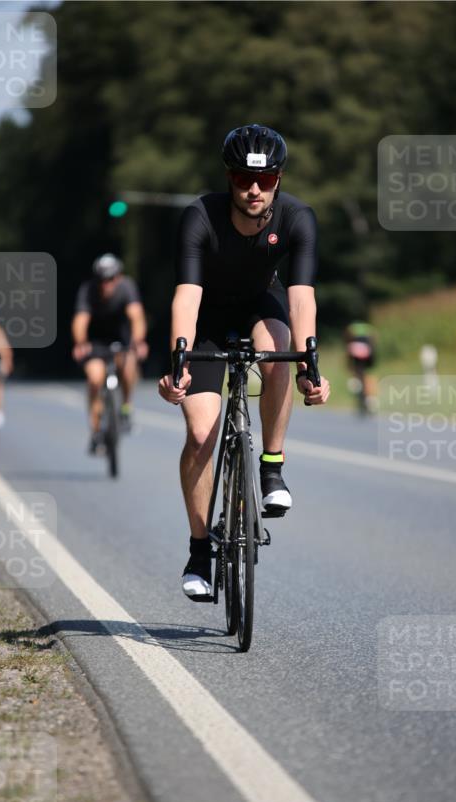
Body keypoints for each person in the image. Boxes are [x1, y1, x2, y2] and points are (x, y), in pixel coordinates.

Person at [158, 123, 330, 599]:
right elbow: (187, 297)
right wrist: (180, 362)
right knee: (199, 434)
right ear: (228, 177)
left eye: (267, 179)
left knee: (279, 347)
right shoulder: (200, 217)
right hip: (207, 318)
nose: (254, 189)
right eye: (241, 179)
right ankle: (198, 550)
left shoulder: (297, 218)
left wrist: (308, 368)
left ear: (279, 177)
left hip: (259, 304)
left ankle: (271, 466)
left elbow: (301, 300)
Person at [72, 253, 148, 450]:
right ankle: (96, 431)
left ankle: (126, 408)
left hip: (121, 341)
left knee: (129, 365)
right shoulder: (88, 290)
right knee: (95, 378)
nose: (106, 284)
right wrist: (80, 343)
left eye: (111, 279)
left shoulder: (126, 287)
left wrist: (138, 341)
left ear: (119, 277)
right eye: (102, 280)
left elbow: (136, 316)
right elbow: (80, 320)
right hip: (96, 343)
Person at [345, 320, 378, 414]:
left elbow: (347, 339)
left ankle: (356, 382)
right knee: (368, 372)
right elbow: (374, 339)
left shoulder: (352, 327)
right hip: (367, 351)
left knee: (356, 371)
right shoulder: (369, 328)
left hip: (355, 351)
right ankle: (371, 398)